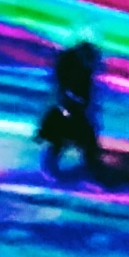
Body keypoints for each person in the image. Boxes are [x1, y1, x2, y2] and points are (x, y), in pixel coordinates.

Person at [37, 39, 105, 180]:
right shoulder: (72, 70)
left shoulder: (81, 72)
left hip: (74, 111)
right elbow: (66, 91)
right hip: (68, 111)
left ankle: (91, 168)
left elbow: (84, 94)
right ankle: (54, 169)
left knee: (84, 140)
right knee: (62, 138)